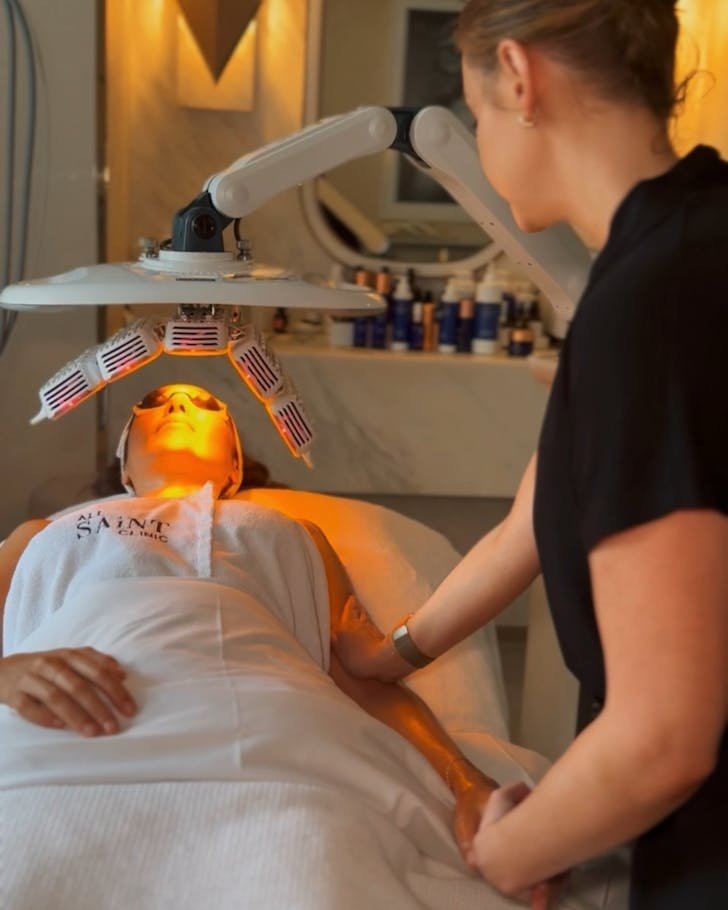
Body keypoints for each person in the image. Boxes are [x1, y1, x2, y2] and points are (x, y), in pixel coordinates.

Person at [333, 1, 728, 908]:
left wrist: (508, 855)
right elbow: (533, 520)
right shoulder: (685, 243)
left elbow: (663, 738)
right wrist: (385, 658)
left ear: (517, 75)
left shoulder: (651, 308)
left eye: (473, 116)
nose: (477, 138)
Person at [0, 383, 496, 851]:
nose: (177, 406)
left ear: (234, 466)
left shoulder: (288, 530)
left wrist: (467, 781)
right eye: (157, 402)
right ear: (124, 468)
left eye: (203, 405)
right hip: (75, 722)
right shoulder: (45, 532)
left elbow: (365, 675)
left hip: (267, 726)